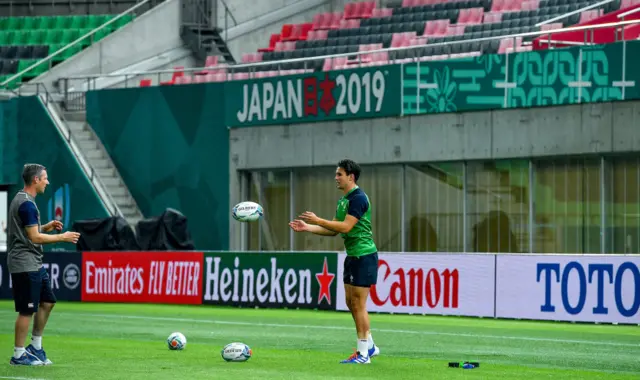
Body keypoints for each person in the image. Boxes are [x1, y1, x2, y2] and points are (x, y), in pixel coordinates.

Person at [289, 159, 379, 364]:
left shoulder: (359, 198)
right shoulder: (343, 200)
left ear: (351, 177)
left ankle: (363, 353)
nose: (336, 178)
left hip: (364, 255)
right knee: (350, 302)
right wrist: (307, 228)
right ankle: (371, 346)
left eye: (339, 174)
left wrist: (318, 220)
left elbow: (346, 227)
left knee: (359, 304)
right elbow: (333, 230)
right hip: (352, 256)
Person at [7, 164, 80, 366]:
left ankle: (35, 347)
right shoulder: (26, 204)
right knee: (26, 310)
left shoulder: (25, 200)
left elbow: (30, 230)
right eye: (45, 178)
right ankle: (19, 354)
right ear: (35, 180)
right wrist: (62, 237)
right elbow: (33, 237)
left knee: (48, 301)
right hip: (24, 262)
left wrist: (46, 226)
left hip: (33, 261)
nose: (47, 182)